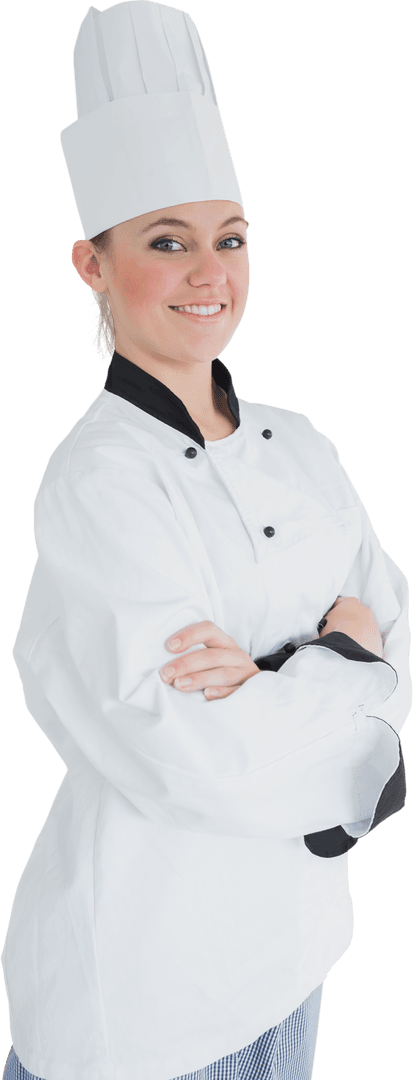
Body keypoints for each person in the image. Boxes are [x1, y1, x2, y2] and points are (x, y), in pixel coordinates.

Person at [1, 4, 411, 1080]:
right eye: (166, 242)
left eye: (228, 238)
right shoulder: (94, 482)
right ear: (92, 262)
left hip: (297, 948)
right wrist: (337, 657)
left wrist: (273, 680)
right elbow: (187, 754)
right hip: (145, 997)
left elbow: (401, 637)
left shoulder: (302, 444)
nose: (207, 273)